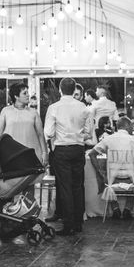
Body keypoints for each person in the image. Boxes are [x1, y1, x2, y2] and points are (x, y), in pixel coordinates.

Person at [44, 78, 93, 236]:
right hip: (78, 149)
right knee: (77, 186)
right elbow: (89, 132)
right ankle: (78, 223)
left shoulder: (54, 108)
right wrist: (77, 136)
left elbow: (48, 133)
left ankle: (68, 225)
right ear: (74, 91)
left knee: (65, 187)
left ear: (60, 89)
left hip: (61, 150)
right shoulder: (84, 107)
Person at [89, 117, 134, 220]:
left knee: (107, 176)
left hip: (112, 179)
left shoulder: (108, 139)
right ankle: (128, 209)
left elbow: (91, 154)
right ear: (126, 126)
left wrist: (100, 172)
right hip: (131, 179)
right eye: (131, 126)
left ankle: (115, 208)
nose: (132, 129)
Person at [0, 82, 48, 168]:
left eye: (28, 92)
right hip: (12, 154)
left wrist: (45, 153)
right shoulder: (6, 111)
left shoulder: (33, 112)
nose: (28, 95)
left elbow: (40, 134)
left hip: (31, 152)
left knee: (31, 179)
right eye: (24, 93)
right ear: (16, 96)